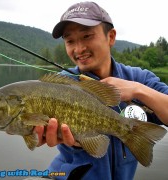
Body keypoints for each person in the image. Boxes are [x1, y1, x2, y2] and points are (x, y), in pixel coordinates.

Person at [35, 1, 168, 180]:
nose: (79, 49)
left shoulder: (139, 78)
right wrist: (76, 142)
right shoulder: (60, 85)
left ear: (111, 37)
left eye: (87, 36)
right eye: (70, 41)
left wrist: (138, 90)